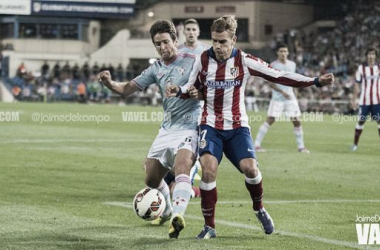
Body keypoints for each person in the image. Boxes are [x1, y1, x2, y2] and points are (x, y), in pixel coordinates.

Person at [167, 15, 334, 239]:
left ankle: (259, 208)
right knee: (208, 169)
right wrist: (179, 91)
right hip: (210, 124)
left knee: (251, 169)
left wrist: (314, 81)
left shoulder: (244, 61)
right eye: (215, 40)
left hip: (237, 126)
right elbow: (192, 86)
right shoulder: (204, 59)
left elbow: (279, 75)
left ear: (233, 40)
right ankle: (210, 227)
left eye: (223, 41)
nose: (217, 46)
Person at [98, 20, 201, 239]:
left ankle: (178, 216)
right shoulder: (155, 68)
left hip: (190, 127)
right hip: (167, 130)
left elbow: (208, 88)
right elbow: (127, 89)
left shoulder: (194, 61)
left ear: (175, 40)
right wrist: (109, 83)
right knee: (151, 180)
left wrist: (198, 93)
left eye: (165, 42)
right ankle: (167, 211)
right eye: (157, 44)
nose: (162, 47)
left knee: (182, 166)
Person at [158, 18, 210, 203]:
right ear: (183, 32)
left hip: (198, 108)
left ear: (198, 32)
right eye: (187, 29)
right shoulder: (178, 52)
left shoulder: (205, 51)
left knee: (187, 156)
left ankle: (192, 180)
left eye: (193, 29)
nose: (190, 32)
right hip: (176, 110)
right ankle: (184, 178)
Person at [254, 44, 310, 153]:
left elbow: (293, 80)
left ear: (288, 53)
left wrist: (295, 93)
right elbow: (270, 83)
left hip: (290, 98)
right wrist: (282, 92)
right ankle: (256, 145)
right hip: (277, 98)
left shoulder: (292, 65)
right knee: (270, 120)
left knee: (296, 121)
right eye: (281, 51)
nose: (283, 53)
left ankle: (301, 147)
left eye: (285, 51)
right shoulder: (273, 65)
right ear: (277, 53)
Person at [351, 47, 380, 151]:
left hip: (377, 100)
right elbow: (357, 85)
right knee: (361, 122)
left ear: (375, 56)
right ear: (366, 56)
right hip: (365, 100)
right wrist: (354, 100)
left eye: (373, 54)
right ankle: (355, 144)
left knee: (379, 122)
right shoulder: (361, 68)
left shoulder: (379, 67)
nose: (371, 56)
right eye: (369, 54)